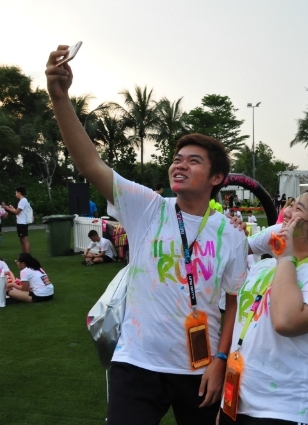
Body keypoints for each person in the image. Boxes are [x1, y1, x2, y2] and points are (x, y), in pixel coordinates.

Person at [46, 45, 248, 425]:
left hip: (199, 368)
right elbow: (90, 163)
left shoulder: (229, 234)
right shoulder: (148, 208)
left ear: (217, 178)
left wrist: (220, 360)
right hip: (137, 362)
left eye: (193, 161)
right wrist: (59, 97)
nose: (180, 165)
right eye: (177, 158)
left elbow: (233, 303)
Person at [219, 189, 308, 425]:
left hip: (285, 407)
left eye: (299, 209)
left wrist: (286, 256)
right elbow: (228, 251)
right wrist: (234, 230)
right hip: (236, 398)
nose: (287, 212)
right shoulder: (266, 266)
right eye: (291, 204)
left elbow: (286, 322)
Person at [2, 186, 32, 253]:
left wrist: (7, 208)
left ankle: (27, 256)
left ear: (19, 193)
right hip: (21, 222)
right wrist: (11, 208)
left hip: (22, 223)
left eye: (16, 193)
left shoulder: (23, 200)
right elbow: (18, 212)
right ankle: (24, 255)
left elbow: (16, 212)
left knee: (24, 240)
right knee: (21, 240)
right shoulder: (23, 201)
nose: (15, 194)